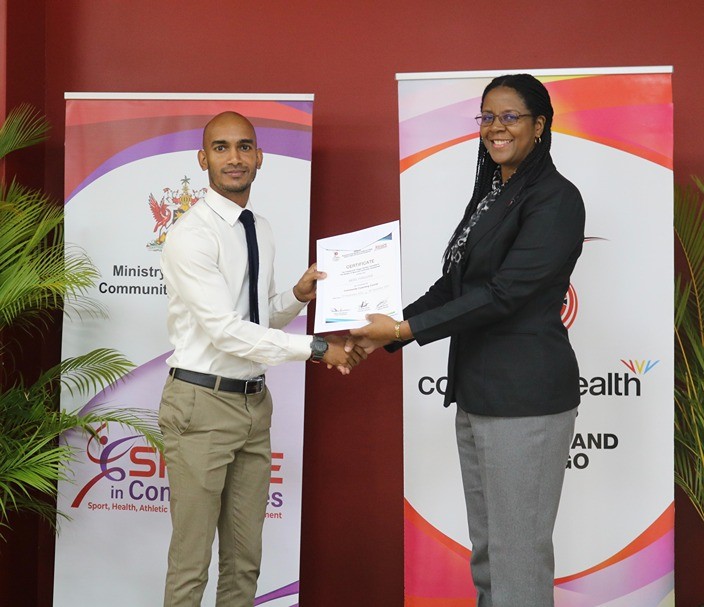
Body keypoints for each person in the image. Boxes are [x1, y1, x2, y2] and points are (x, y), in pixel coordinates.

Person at [351, 74, 585, 607]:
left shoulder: (556, 199)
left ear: (539, 125)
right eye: (488, 117)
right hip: (478, 393)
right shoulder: (493, 194)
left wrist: (404, 331)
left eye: (510, 117)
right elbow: (455, 285)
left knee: (517, 557)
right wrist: (384, 331)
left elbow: (505, 295)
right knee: (489, 554)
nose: (496, 127)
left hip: (524, 399)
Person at [158, 111, 365, 607]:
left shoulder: (260, 227)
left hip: (253, 406)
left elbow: (255, 318)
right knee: (191, 566)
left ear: (260, 157)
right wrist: (317, 348)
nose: (235, 158)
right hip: (201, 405)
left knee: (244, 562)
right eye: (222, 148)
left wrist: (296, 296)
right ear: (203, 159)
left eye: (244, 147)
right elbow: (226, 333)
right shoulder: (192, 235)